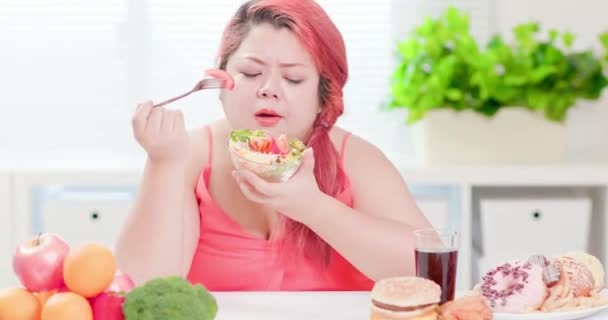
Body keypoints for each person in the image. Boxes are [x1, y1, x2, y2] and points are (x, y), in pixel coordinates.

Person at [115, 0, 434, 291]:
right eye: (251, 73)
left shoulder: (357, 160)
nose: (269, 89)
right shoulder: (189, 154)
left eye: (293, 78)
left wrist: (312, 206)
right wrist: (163, 163)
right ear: (221, 81)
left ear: (322, 95)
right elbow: (142, 286)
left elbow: (429, 268)